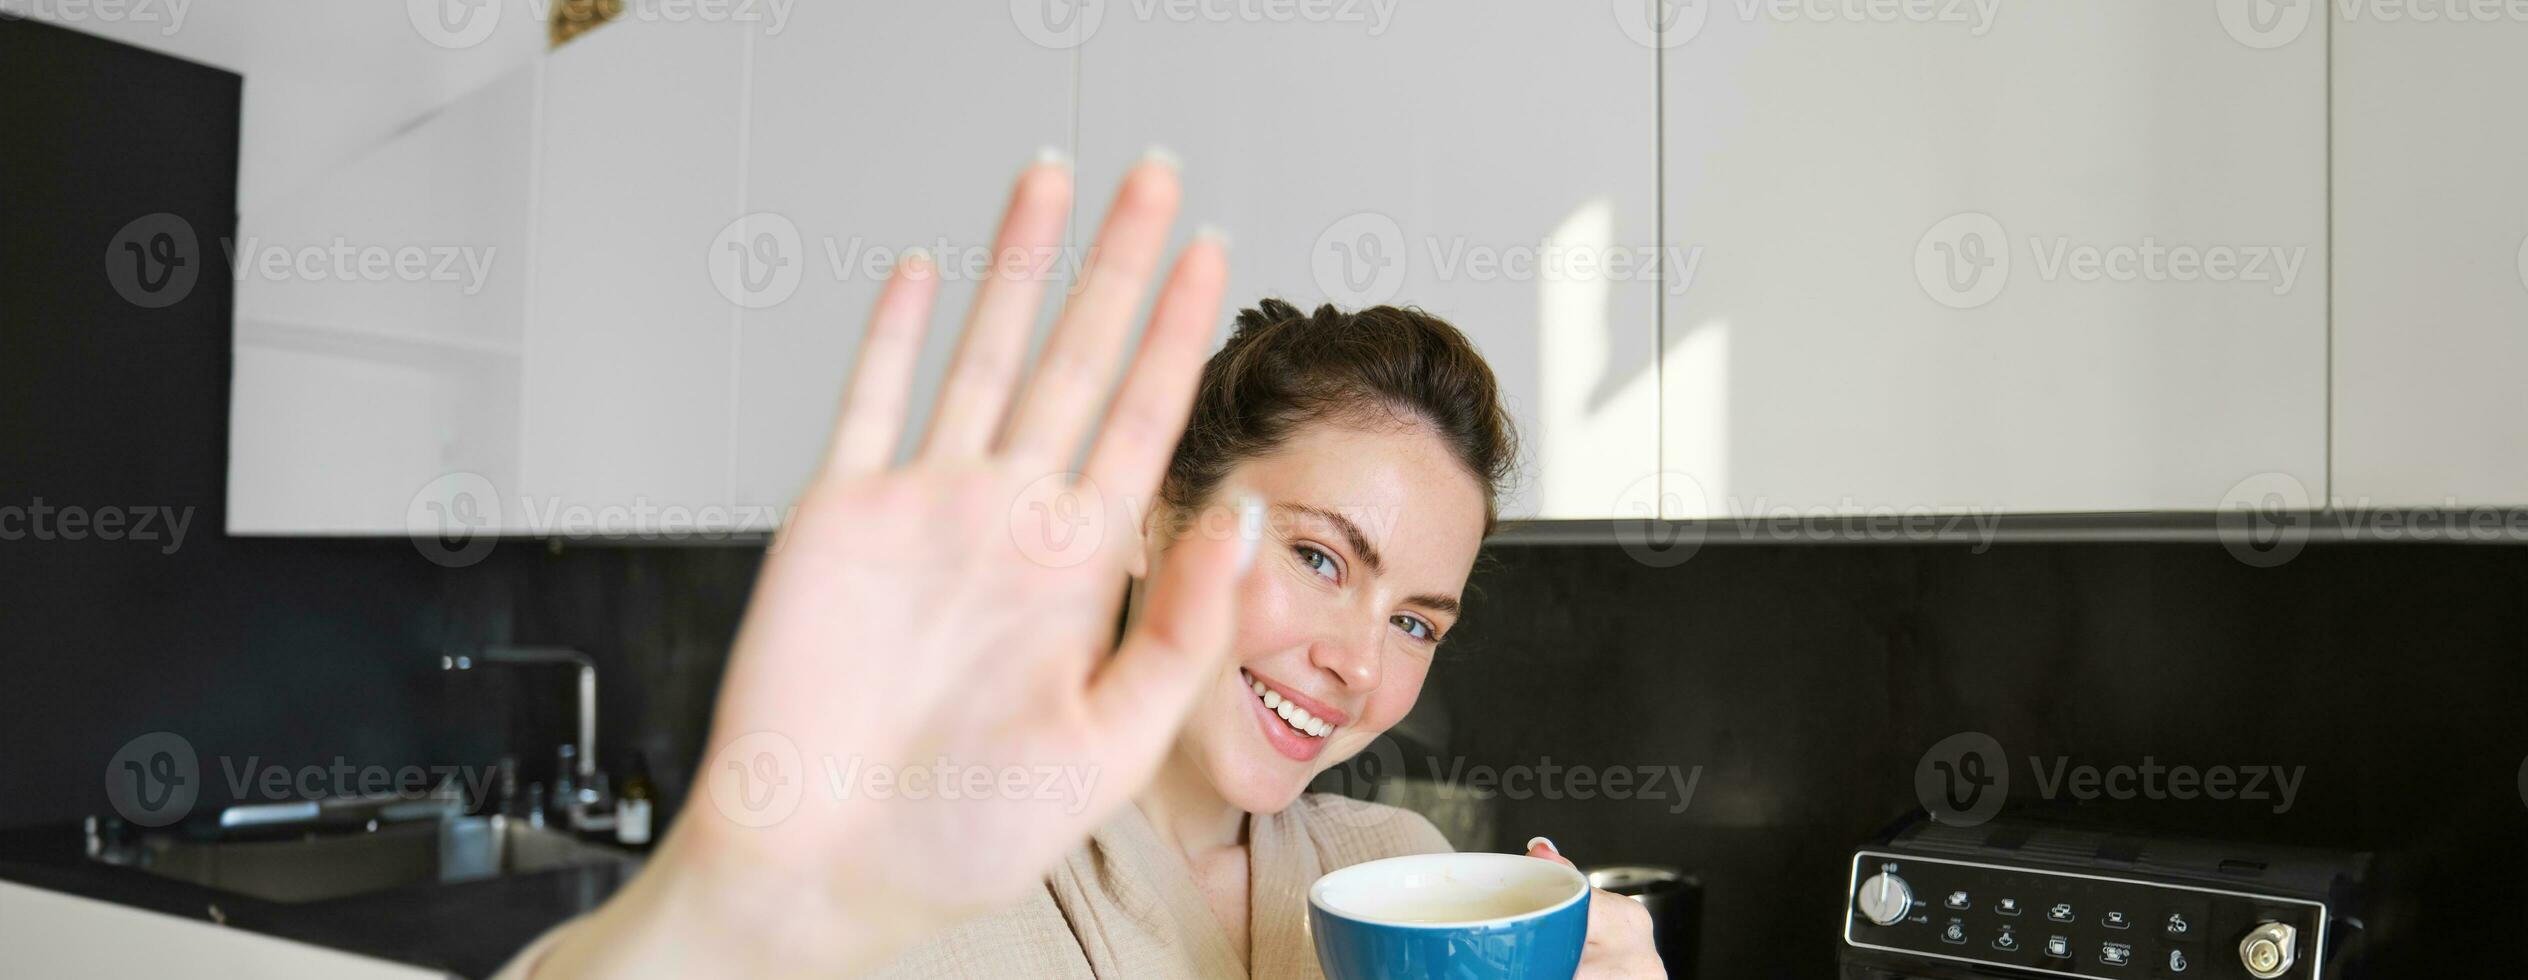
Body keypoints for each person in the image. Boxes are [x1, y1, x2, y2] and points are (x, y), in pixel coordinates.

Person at [501, 153, 1662, 978]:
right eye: (1316, 554)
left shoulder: (1398, 876)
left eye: (1416, 621)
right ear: (1149, 517)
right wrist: (718, 911)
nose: (1355, 661)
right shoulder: (930, 878)